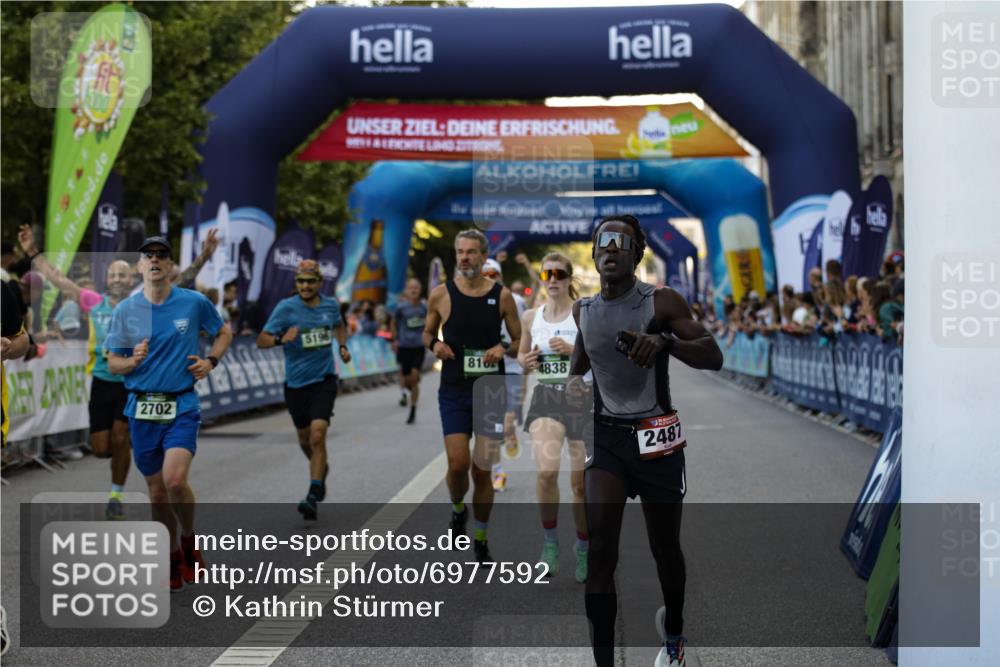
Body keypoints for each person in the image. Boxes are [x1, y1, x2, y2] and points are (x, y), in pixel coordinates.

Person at [568, 215, 722, 667]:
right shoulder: (584, 311)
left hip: (657, 439)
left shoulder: (663, 301)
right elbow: (579, 366)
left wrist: (665, 343)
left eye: (622, 243)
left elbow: (713, 354)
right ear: (594, 254)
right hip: (608, 439)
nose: (610, 250)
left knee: (665, 549)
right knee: (600, 549)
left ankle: (673, 635)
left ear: (638, 253)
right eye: (603, 243)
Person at [105, 235, 233, 592]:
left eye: (163, 255)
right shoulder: (125, 311)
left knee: (175, 482)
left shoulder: (193, 303)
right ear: (140, 265)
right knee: (157, 494)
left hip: (181, 404)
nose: (156, 260)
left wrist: (211, 360)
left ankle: (189, 540)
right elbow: (113, 363)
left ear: (171, 265)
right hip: (141, 407)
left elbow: (224, 332)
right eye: (149, 255)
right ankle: (171, 554)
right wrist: (133, 360)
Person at [18, 225, 139, 519]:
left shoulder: (140, 306)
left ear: (131, 278)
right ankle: (119, 454)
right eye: (113, 275)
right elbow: (60, 280)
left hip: (129, 382)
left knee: (121, 439)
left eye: (123, 275)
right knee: (100, 448)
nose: (118, 279)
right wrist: (33, 252)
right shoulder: (94, 303)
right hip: (100, 381)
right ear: (107, 279)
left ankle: (115, 495)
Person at [423, 229, 521, 563]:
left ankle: (480, 534)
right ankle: (456, 508)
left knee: (481, 470)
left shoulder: (502, 296)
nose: (464, 257)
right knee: (457, 464)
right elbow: (426, 332)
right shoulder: (441, 294)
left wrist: (502, 346)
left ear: (483, 256)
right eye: (460, 251)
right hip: (453, 390)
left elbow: (519, 341)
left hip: (490, 391)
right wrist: (435, 344)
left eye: (471, 252)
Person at [258, 259, 351, 520]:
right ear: (296, 283)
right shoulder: (286, 308)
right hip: (296, 384)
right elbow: (261, 340)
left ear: (320, 283)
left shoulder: (330, 305)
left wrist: (342, 346)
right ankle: (320, 469)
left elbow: (339, 325)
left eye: (310, 281)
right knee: (305, 440)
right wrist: (280, 339)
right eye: (301, 281)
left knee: (318, 435)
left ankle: (313, 492)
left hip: (324, 380)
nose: (305, 286)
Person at [517, 252, 589, 582]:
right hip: (546, 396)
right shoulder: (532, 316)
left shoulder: (585, 313)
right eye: (547, 275)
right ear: (543, 279)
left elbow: (604, 354)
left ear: (569, 278)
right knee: (546, 473)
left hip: (581, 397)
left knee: (580, 484)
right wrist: (527, 360)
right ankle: (549, 544)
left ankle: (584, 547)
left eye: (560, 274)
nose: (553, 279)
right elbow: (521, 354)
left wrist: (573, 351)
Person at [481, 257, 527, 492]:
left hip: (512, 368)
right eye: (485, 275)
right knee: (492, 424)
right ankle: (499, 472)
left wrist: (520, 352)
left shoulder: (516, 300)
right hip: (489, 370)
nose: (489, 279)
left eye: (493, 275)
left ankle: (510, 433)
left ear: (500, 277)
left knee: (506, 421)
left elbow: (525, 331)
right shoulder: (475, 302)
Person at [393, 278, 428, 424]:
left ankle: (413, 409)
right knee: (407, 379)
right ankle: (408, 387)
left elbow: (430, 323)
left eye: (416, 288)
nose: (413, 290)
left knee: (414, 377)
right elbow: (394, 323)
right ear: (407, 291)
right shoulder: (401, 308)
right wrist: (394, 339)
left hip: (419, 347)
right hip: (404, 347)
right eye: (410, 288)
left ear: (420, 290)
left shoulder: (424, 308)